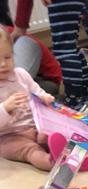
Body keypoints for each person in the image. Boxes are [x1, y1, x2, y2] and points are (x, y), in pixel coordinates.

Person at [0, 26, 53, 170]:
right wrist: (5, 108)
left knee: (50, 134)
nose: (3, 64)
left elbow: (36, 90)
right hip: (9, 137)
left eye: (7, 57)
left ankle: (70, 151)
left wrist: (44, 97)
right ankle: (50, 162)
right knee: (30, 150)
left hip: (34, 126)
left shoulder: (21, 74)